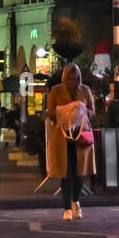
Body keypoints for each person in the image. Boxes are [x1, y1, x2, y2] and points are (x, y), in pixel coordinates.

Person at [46, 64, 97, 221]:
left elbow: (93, 112)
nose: (72, 81)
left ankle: (76, 201)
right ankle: (67, 208)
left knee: (80, 172)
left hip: (81, 135)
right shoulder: (56, 91)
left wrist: (82, 111)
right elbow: (50, 112)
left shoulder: (85, 90)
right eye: (69, 78)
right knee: (66, 172)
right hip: (63, 136)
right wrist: (65, 111)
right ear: (64, 78)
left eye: (74, 78)